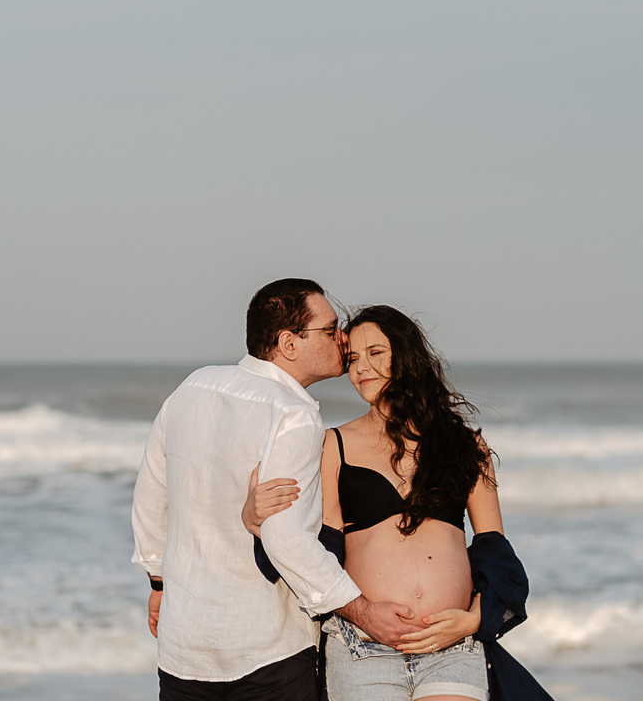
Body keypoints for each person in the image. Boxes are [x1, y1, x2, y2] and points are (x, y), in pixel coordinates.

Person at [130, 280, 421, 701]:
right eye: (330, 329)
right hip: (267, 650)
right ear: (289, 343)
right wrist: (364, 613)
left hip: (183, 648)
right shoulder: (294, 413)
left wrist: (158, 583)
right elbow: (287, 539)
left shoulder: (192, 387)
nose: (343, 339)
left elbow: (151, 500)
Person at [245, 304, 507, 701]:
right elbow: (320, 548)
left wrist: (473, 620)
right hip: (361, 647)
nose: (360, 368)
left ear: (406, 356)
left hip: (450, 648)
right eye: (352, 359)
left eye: (375, 353)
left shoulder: (465, 445)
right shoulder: (334, 444)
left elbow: (494, 550)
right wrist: (256, 523)